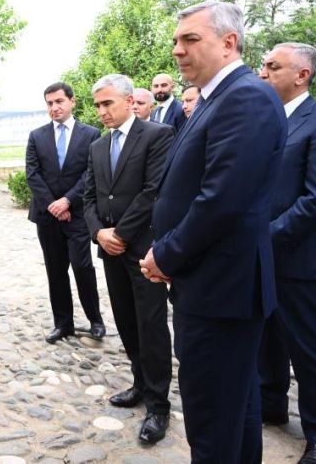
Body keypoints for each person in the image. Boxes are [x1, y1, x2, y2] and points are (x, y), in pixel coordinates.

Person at [139, 1, 286, 462]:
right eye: (176, 40)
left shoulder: (245, 97)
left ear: (229, 42)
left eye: (190, 39)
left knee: (212, 419)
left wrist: (166, 254)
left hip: (222, 288)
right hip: (211, 283)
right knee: (234, 409)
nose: (177, 50)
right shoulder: (213, 99)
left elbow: (222, 199)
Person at [85, 74, 175, 444]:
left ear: (128, 100)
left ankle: (158, 405)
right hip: (110, 250)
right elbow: (89, 197)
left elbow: (153, 192)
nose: (102, 111)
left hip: (143, 250)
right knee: (125, 319)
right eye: (98, 105)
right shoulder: (97, 146)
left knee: (151, 324)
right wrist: (99, 233)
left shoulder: (157, 135)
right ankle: (139, 382)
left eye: (107, 103)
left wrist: (120, 234)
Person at [257, 42, 316, 464]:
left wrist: (264, 236)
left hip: (300, 260)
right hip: (259, 256)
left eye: (273, 66)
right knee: (265, 339)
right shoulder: (266, 119)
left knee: (310, 350)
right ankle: (271, 404)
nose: (262, 72)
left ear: (302, 75)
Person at [26, 82, 105, 343]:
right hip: (47, 216)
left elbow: (91, 173)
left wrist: (68, 201)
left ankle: (95, 320)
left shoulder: (91, 134)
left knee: (83, 267)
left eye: (59, 101)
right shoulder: (36, 136)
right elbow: (33, 174)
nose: (54, 107)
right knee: (55, 271)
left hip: (78, 214)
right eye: (49, 103)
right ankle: (63, 324)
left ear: (72, 101)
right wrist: (54, 205)